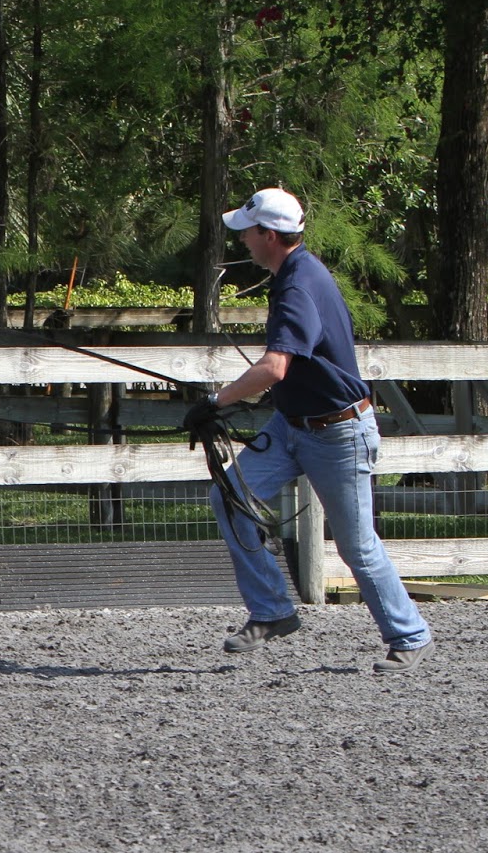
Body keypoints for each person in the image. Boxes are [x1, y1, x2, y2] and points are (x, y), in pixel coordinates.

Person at [183, 187, 433, 674]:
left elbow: (275, 367)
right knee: (230, 497)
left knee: (356, 545)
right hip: (293, 426)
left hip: (338, 433)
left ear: (269, 235)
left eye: (248, 234)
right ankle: (272, 611)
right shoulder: (293, 276)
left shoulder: (297, 285)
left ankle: (410, 634)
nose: (244, 243)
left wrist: (214, 402)